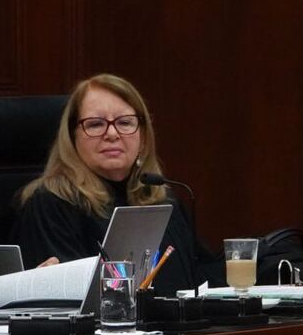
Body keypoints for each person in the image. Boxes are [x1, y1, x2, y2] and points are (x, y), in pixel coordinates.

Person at [11, 73, 223, 295]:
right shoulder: (50, 203)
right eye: (95, 124)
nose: (112, 134)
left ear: (143, 136)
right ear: (72, 137)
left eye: (124, 123)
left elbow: (202, 276)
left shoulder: (162, 199)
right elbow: (66, 297)